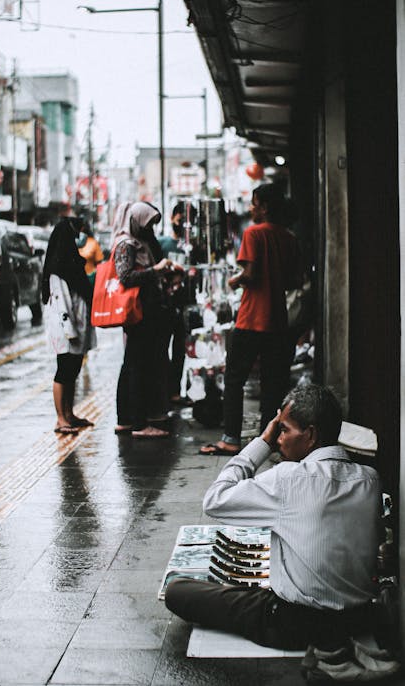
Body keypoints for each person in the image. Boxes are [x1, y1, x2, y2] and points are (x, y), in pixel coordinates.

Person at [165, 384, 389, 679]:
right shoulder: (369, 480)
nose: (279, 438)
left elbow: (215, 500)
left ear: (309, 435)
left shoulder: (288, 478)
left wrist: (263, 442)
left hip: (291, 622)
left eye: (283, 430)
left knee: (178, 591)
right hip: (356, 619)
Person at [200, 182, 301, 456]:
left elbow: (250, 273)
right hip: (278, 321)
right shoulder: (289, 237)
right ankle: (266, 441)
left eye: (254, 203)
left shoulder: (254, 234)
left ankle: (231, 438)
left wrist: (233, 280)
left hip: (251, 319)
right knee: (273, 382)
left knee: (234, 379)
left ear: (265, 208)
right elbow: (293, 280)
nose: (251, 208)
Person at [114, 201, 176, 438]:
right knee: (136, 366)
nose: (150, 228)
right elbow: (126, 277)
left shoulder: (141, 243)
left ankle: (128, 419)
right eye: (148, 223)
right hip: (138, 312)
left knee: (134, 363)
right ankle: (138, 423)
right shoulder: (126, 243)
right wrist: (157, 270)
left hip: (147, 311)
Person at [42, 218, 95, 436]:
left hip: (77, 325)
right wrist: (69, 330)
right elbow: (61, 302)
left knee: (73, 369)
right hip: (65, 328)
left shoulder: (73, 264)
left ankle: (70, 413)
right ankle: (60, 418)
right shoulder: (58, 268)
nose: (77, 239)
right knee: (64, 370)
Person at [158, 203, 190, 406]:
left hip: (185, 303)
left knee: (180, 350)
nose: (182, 223)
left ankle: (175, 391)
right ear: (172, 218)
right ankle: (163, 390)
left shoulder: (190, 246)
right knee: (162, 349)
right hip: (164, 305)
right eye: (179, 219)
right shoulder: (163, 243)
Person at [71, 217, 104, 285]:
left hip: (90, 278)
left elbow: (99, 262)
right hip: (75, 278)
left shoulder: (93, 243)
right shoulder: (71, 242)